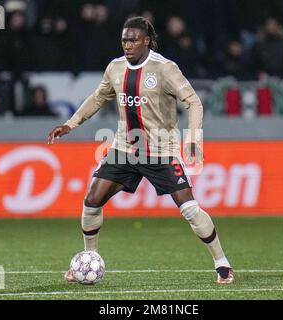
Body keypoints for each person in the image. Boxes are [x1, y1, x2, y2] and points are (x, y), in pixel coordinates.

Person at [47, 16, 234, 284]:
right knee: (91, 201)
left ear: (147, 40)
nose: (127, 45)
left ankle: (222, 263)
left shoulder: (165, 69)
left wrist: (193, 137)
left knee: (189, 208)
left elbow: (193, 101)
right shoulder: (115, 68)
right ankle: (90, 259)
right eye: (124, 40)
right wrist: (70, 124)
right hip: (125, 148)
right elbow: (98, 97)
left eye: (133, 40)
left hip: (161, 151)